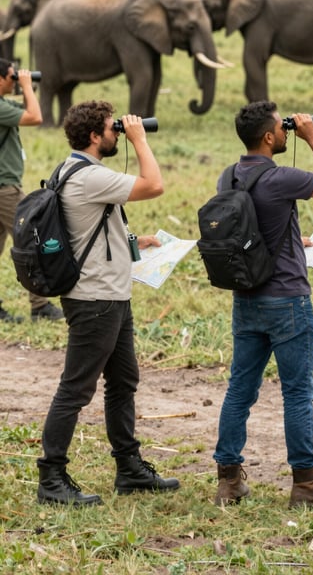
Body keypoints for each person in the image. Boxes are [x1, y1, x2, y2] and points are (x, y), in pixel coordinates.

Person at [213, 101, 313, 508]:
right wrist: (312, 135)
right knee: (297, 393)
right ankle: (308, 484)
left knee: (240, 388)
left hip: (246, 299)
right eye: (282, 127)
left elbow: (250, 225)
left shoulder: (229, 177)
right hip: (287, 301)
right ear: (268, 137)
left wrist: (295, 238)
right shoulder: (279, 178)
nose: (286, 132)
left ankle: (228, 480)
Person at [36, 101, 179, 506]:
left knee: (122, 382)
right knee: (75, 389)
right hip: (96, 298)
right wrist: (140, 139)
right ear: (95, 137)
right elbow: (154, 185)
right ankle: (51, 478)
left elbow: (89, 228)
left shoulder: (70, 169)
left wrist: (135, 241)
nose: (118, 132)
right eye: (111, 128)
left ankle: (129, 468)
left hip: (109, 294)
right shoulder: (91, 175)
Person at [0, 57, 64, 323]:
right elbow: (36, 116)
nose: (14, 80)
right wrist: (26, 85)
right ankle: (39, 306)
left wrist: (23, 84)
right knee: (33, 238)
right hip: (6, 189)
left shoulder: (4, 105)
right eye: (11, 76)